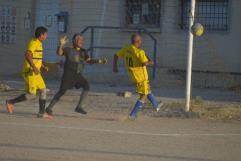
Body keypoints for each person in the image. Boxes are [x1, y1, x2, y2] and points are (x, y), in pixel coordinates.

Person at [45, 33, 107, 117]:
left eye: (82, 40)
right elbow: (59, 53)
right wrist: (60, 45)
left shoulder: (83, 51)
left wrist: (100, 61)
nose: (82, 41)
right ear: (74, 41)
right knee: (62, 91)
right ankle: (49, 108)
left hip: (77, 74)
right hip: (68, 74)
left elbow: (88, 60)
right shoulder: (68, 49)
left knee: (86, 85)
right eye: (80, 39)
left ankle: (79, 106)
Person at [113, 33, 163, 119]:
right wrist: (151, 62)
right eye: (140, 41)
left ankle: (156, 105)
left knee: (148, 89)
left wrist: (115, 67)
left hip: (134, 76)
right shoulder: (140, 52)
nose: (141, 42)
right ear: (138, 41)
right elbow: (144, 62)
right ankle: (132, 114)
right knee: (143, 96)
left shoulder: (127, 48)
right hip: (141, 77)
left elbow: (116, 55)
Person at [6, 26, 51, 118]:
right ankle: (10, 102)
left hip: (36, 73)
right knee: (32, 95)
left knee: (43, 90)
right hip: (30, 72)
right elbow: (27, 55)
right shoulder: (33, 42)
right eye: (46, 34)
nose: (46, 36)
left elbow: (35, 57)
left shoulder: (39, 43)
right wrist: (34, 67)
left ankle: (41, 113)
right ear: (41, 35)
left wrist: (42, 66)